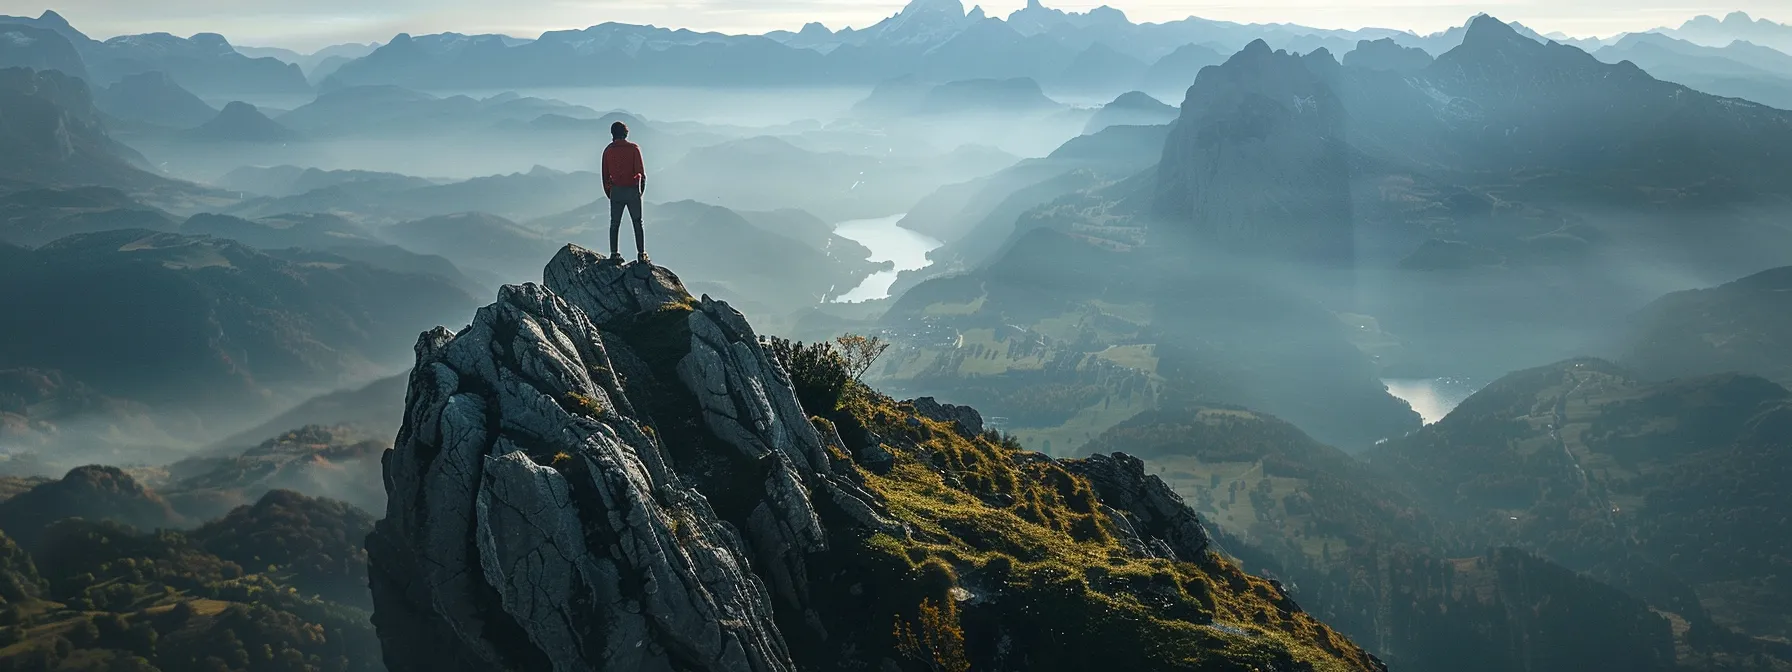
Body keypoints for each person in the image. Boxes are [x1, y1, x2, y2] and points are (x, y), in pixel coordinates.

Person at [602, 121, 648, 263]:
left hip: (616, 191)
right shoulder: (634, 149)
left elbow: (605, 175)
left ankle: (614, 254)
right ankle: (641, 254)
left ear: (612, 134)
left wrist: (610, 192)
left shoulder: (608, 150)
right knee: (637, 222)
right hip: (632, 190)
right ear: (626, 134)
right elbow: (641, 172)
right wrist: (640, 191)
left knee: (614, 223)